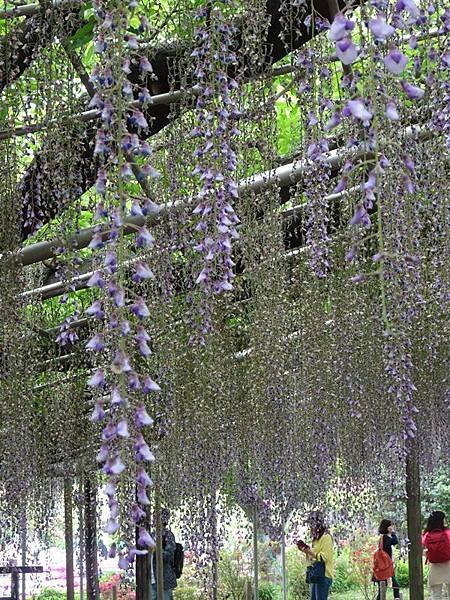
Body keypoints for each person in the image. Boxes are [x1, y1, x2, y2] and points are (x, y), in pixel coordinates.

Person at [297, 511, 334, 600]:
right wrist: (305, 551)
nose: (310, 526)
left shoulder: (326, 537)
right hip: (315, 574)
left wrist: (311, 552)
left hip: (324, 576)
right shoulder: (316, 539)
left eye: (312, 523)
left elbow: (325, 558)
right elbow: (313, 558)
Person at [422, 511, 450, 600]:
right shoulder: (448, 533)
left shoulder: (427, 535)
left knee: (436, 594)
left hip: (434, 566)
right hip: (448, 564)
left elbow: (423, 548)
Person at [151, 508, 177, 600]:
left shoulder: (168, 535)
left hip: (164, 579)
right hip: (151, 579)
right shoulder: (151, 534)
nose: (153, 519)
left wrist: (156, 550)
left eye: (156, 516)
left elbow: (169, 555)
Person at [373, 519, 401, 600]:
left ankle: (397, 598)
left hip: (384, 566)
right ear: (386, 527)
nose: (392, 527)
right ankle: (397, 598)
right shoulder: (385, 537)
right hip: (385, 567)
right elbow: (395, 541)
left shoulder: (383, 537)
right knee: (393, 586)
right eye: (390, 525)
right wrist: (393, 533)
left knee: (383, 589)